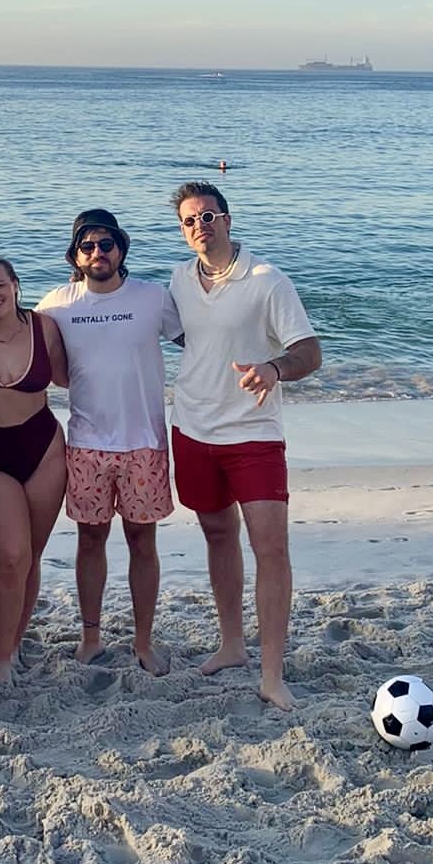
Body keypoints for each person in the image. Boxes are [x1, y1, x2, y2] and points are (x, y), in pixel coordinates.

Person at [169, 182, 322, 713]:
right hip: (191, 428)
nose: (200, 225)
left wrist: (273, 368)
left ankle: (271, 674)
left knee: (271, 549)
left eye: (208, 215)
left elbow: (310, 351)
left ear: (228, 220)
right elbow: (178, 332)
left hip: (253, 435)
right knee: (216, 534)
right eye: (190, 220)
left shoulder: (267, 280)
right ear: (183, 231)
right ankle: (231, 644)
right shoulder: (180, 280)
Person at [37, 209, 179, 675]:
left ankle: (143, 641)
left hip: (145, 442)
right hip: (86, 441)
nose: (98, 253)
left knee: (142, 540)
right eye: (87, 246)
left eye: (106, 244)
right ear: (75, 256)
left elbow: (203, 340)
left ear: (122, 248)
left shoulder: (153, 298)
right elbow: (12, 334)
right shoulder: (57, 303)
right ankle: (90, 637)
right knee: (90, 539)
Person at [0, 255, 68, 687]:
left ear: (16, 285)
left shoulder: (45, 328)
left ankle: (13, 644)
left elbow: (69, 377)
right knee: (9, 557)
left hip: (43, 447)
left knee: (31, 557)